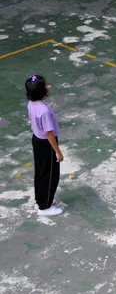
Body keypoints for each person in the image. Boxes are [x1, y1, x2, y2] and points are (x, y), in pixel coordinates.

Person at [25, 75, 64, 216]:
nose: (48, 86)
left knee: (41, 173)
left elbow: (31, 119)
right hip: (47, 144)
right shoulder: (44, 111)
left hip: (37, 140)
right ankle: (45, 207)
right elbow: (49, 133)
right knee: (50, 175)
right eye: (45, 85)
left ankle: (42, 199)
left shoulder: (31, 103)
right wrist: (57, 151)